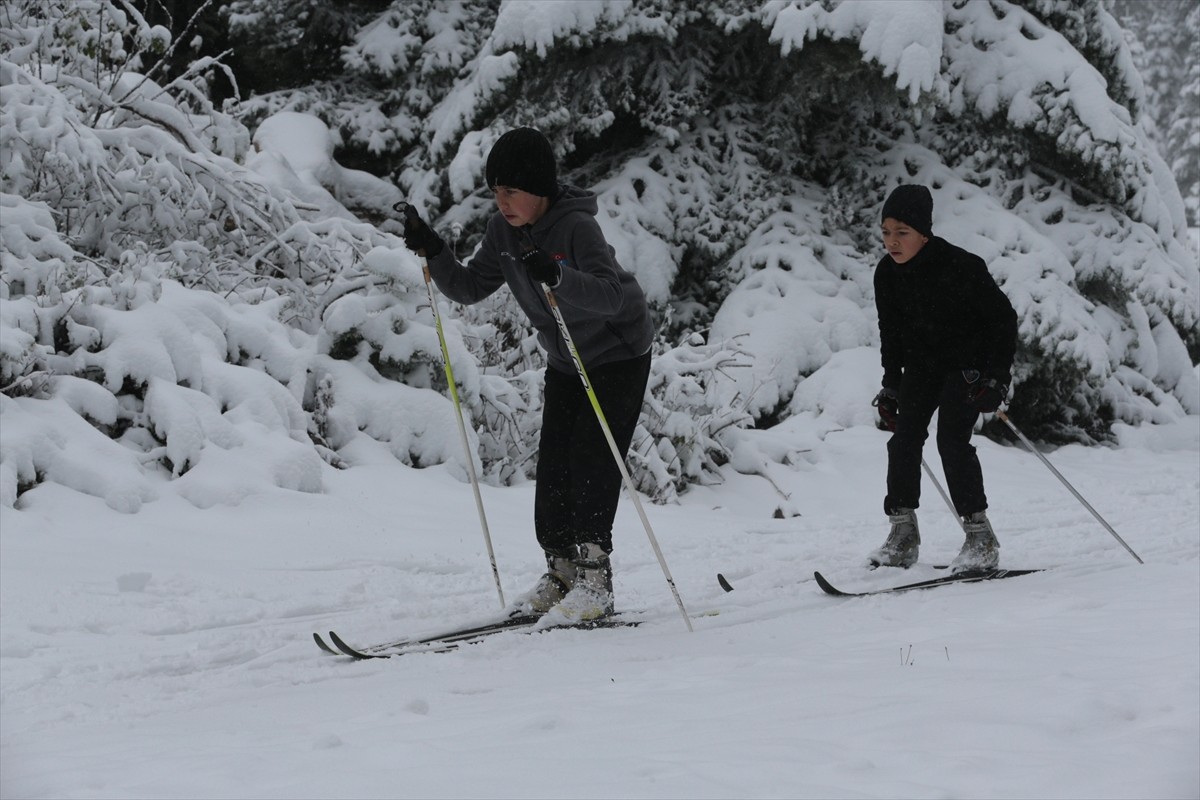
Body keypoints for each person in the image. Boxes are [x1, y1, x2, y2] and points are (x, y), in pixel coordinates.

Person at [400, 127, 653, 621]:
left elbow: (612, 295)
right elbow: (471, 286)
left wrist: (558, 274)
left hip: (618, 353)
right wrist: (433, 248)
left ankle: (596, 583)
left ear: (538, 187)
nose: (502, 202)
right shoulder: (502, 232)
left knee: (592, 462)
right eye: (495, 192)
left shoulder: (577, 229)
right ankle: (561, 574)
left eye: (511, 191)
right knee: (554, 466)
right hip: (566, 359)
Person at [869, 184, 1018, 573]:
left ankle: (980, 539)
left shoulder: (961, 266)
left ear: (924, 232)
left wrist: (997, 378)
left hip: (968, 366)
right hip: (921, 366)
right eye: (886, 232)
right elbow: (891, 332)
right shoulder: (886, 274)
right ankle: (903, 536)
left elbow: (1003, 320)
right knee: (903, 440)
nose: (892, 242)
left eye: (901, 232)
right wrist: (890, 385)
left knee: (951, 439)